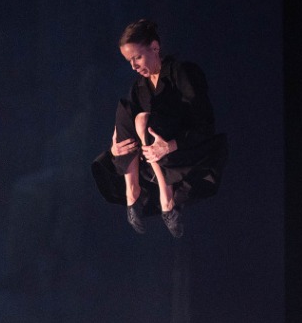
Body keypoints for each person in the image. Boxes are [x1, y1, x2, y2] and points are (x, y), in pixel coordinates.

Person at [90, 19, 227, 238]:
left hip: (182, 152)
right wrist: (116, 150)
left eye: (137, 57)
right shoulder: (139, 88)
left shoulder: (180, 72)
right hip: (150, 159)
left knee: (143, 119)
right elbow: (129, 125)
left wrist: (170, 145)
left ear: (154, 48)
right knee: (126, 109)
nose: (134, 66)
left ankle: (167, 196)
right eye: (129, 61)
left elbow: (204, 124)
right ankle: (132, 191)